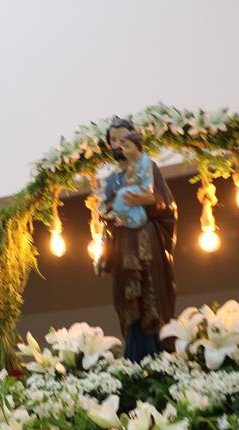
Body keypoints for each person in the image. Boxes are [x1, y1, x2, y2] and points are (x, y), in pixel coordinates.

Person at [97, 117, 178, 361]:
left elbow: (166, 205)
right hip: (123, 243)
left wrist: (149, 201)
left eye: (123, 139)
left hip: (147, 240)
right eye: (113, 140)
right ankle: (135, 352)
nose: (118, 144)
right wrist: (104, 252)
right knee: (128, 295)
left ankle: (159, 350)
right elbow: (107, 217)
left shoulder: (148, 167)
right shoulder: (111, 180)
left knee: (151, 292)